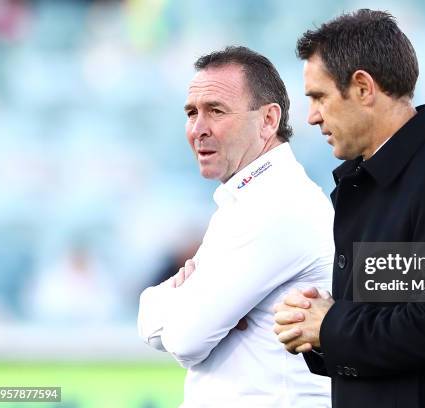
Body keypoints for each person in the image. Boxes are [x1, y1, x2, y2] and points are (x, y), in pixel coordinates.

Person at [273, 9, 425, 408]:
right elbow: (388, 324)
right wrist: (312, 330)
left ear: (364, 88)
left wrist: (329, 325)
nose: (312, 116)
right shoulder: (367, 182)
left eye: (319, 97)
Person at [137, 46, 333, 407]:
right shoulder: (252, 199)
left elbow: (185, 339)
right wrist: (177, 301)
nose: (198, 129)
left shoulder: (277, 204)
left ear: (268, 120)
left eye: (216, 111)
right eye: (191, 113)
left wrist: (169, 299)